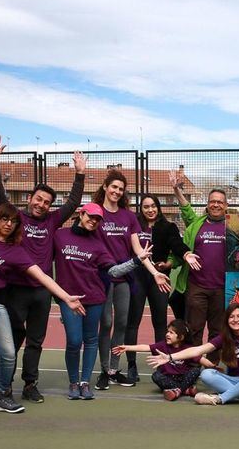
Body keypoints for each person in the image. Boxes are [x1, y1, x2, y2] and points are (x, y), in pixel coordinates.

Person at [0, 204, 84, 417]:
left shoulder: (15, 251)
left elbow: (42, 276)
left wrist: (66, 297)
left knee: (7, 352)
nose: (8, 224)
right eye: (4, 219)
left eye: (13, 222)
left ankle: (2, 394)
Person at [0, 133, 86, 403]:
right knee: (12, 342)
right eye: (38, 199)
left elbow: (73, 203)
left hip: (41, 292)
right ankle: (4, 386)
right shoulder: (15, 218)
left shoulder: (52, 221)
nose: (41, 204)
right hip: (15, 290)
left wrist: (79, 175)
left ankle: (30, 384)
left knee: (36, 341)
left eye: (46, 202)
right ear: (30, 198)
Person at [53, 203, 153, 400]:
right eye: (90, 216)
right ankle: (73, 382)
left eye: (98, 219)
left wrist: (136, 260)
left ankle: (84, 383)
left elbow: (113, 271)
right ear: (81, 214)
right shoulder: (60, 236)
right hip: (69, 299)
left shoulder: (99, 245)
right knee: (74, 341)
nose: (93, 221)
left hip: (95, 298)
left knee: (90, 341)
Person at [93, 170, 169, 390]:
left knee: (121, 324)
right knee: (106, 323)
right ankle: (104, 371)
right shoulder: (96, 213)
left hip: (125, 279)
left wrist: (154, 273)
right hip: (103, 278)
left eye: (121, 188)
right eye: (114, 187)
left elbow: (138, 250)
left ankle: (115, 370)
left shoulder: (128, 217)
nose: (117, 191)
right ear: (106, 187)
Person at [123, 194, 196, 382]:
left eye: (153, 206)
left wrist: (184, 254)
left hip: (160, 278)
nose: (150, 210)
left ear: (158, 208)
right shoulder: (134, 226)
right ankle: (132, 365)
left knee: (160, 323)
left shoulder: (168, 227)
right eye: (146, 207)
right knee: (133, 321)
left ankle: (164, 364)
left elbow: (176, 244)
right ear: (141, 209)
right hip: (137, 278)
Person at [169, 170, 226, 363]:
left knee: (217, 332)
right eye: (212, 201)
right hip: (196, 286)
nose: (216, 204)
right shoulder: (197, 223)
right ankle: (192, 369)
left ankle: (212, 369)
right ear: (208, 204)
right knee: (194, 330)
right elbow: (186, 209)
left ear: (226, 206)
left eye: (220, 201)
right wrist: (176, 190)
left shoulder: (233, 226)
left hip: (222, 288)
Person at [113, 319, 213, 401]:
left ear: (181, 337)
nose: (167, 334)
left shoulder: (188, 349)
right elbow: (146, 347)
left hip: (183, 378)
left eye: (171, 333)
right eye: (167, 332)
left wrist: (214, 368)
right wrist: (127, 348)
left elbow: (202, 360)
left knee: (195, 371)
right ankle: (185, 390)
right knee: (156, 376)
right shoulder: (162, 345)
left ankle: (177, 391)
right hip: (168, 378)